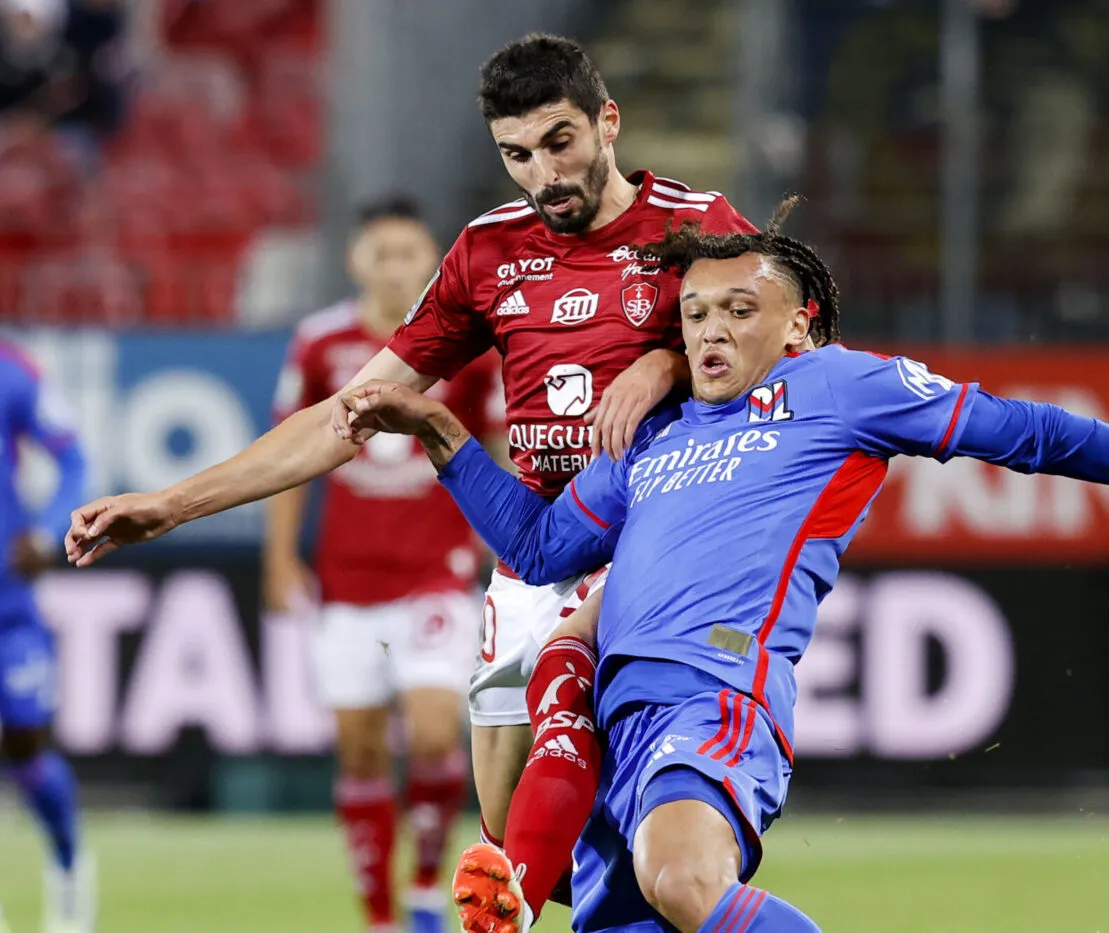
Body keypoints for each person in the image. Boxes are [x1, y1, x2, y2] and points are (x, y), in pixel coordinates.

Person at [339, 203, 1109, 933]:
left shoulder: (837, 389)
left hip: (713, 695)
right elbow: (541, 550)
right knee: (646, 864)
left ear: (799, 323)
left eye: (738, 311)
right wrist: (439, 432)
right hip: (619, 724)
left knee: (682, 881)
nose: (709, 333)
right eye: (692, 317)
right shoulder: (655, 442)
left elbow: (1022, 431)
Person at [63, 33, 758, 930]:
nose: (543, 175)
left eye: (561, 143)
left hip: (654, 553)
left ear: (608, 122)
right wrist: (169, 506)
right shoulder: (487, 254)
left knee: (604, 819)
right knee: (513, 848)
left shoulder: (694, 222)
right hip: (534, 554)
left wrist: (667, 360)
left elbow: (793, 335)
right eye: (517, 154)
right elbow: (343, 416)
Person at [264, 196, 507, 933]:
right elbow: (289, 454)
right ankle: (378, 916)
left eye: (410, 253)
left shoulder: (468, 346)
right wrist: (281, 557)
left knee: (436, 729)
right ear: (357, 260)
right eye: (383, 253)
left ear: (430, 258)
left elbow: (497, 455)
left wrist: (512, 552)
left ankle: (428, 887)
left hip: (437, 570)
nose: (396, 266)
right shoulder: (319, 342)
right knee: (361, 746)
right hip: (348, 580)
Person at [0, 338, 93, 933]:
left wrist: (44, 528)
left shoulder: (14, 372)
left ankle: (68, 866)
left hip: (10, 604)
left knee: (25, 748)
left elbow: (75, 460)